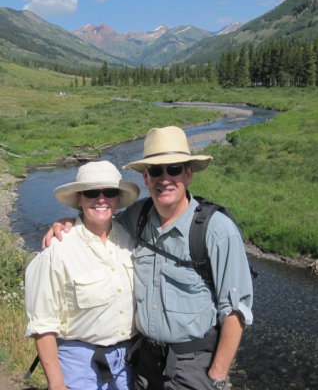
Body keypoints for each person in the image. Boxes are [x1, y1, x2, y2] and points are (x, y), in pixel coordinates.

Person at [43, 126, 253, 390]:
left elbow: (235, 311)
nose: (164, 178)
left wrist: (217, 376)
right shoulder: (137, 217)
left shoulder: (217, 230)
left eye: (174, 169)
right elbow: (100, 219)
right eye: (155, 171)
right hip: (143, 362)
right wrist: (68, 223)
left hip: (192, 364)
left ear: (188, 174)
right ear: (145, 177)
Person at [25, 161, 140, 390]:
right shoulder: (57, 251)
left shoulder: (130, 240)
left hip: (129, 362)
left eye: (109, 192)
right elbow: (43, 326)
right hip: (80, 368)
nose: (101, 199)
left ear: (117, 198)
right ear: (79, 198)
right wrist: (57, 385)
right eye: (91, 193)